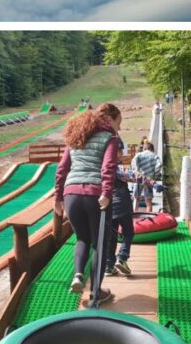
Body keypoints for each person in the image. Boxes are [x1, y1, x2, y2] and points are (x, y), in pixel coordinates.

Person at [54, 103, 121, 306]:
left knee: (82, 238)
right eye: (119, 123)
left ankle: (78, 275)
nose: (119, 128)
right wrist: (107, 193)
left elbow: (62, 168)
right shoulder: (110, 138)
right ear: (110, 120)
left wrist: (58, 196)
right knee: (100, 244)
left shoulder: (76, 138)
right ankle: (95, 293)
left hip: (71, 193)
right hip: (95, 195)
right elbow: (108, 166)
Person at [105, 145, 136, 277]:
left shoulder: (104, 166)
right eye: (120, 151)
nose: (122, 153)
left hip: (109, 206)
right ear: (116, 152)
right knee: (128, 232)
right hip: (122, 204)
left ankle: (108, 266)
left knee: (111, 237)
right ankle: (122, 258)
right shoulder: (117, 166)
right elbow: (131, 176)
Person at [132, 142, 161, 212]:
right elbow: (159, 165)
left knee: (136, 198)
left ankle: (134, 217)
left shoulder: (139, 155)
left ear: (144, 148)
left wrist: (137, 172)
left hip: (138, 179)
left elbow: (133, 164)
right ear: (152, 149)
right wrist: (155, 175)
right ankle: (149, 218)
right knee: (148, 200)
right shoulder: (155, 156)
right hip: (149, 180)